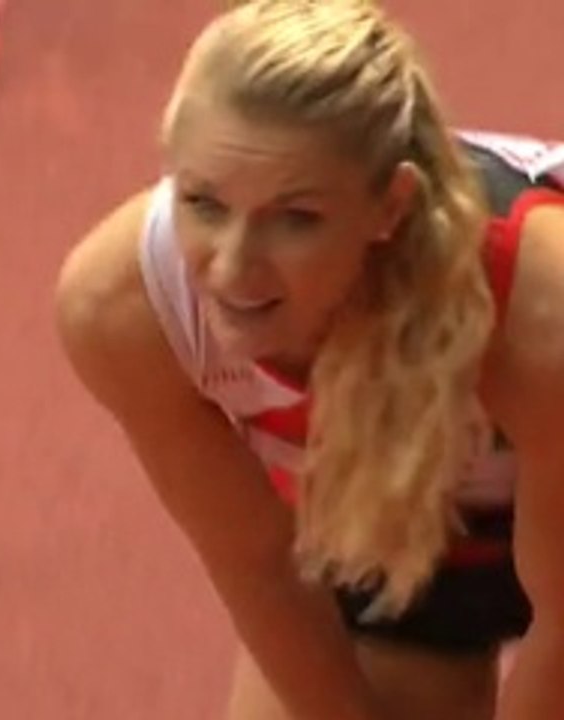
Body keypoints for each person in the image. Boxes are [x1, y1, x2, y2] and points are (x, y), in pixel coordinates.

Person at [54, 1, 564, 718]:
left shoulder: (540, 313)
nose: (232, 269)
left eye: (296, 219)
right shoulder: (122, 310)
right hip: (390, 551)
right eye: (204, 204)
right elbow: (260, 565)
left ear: (390, 208)